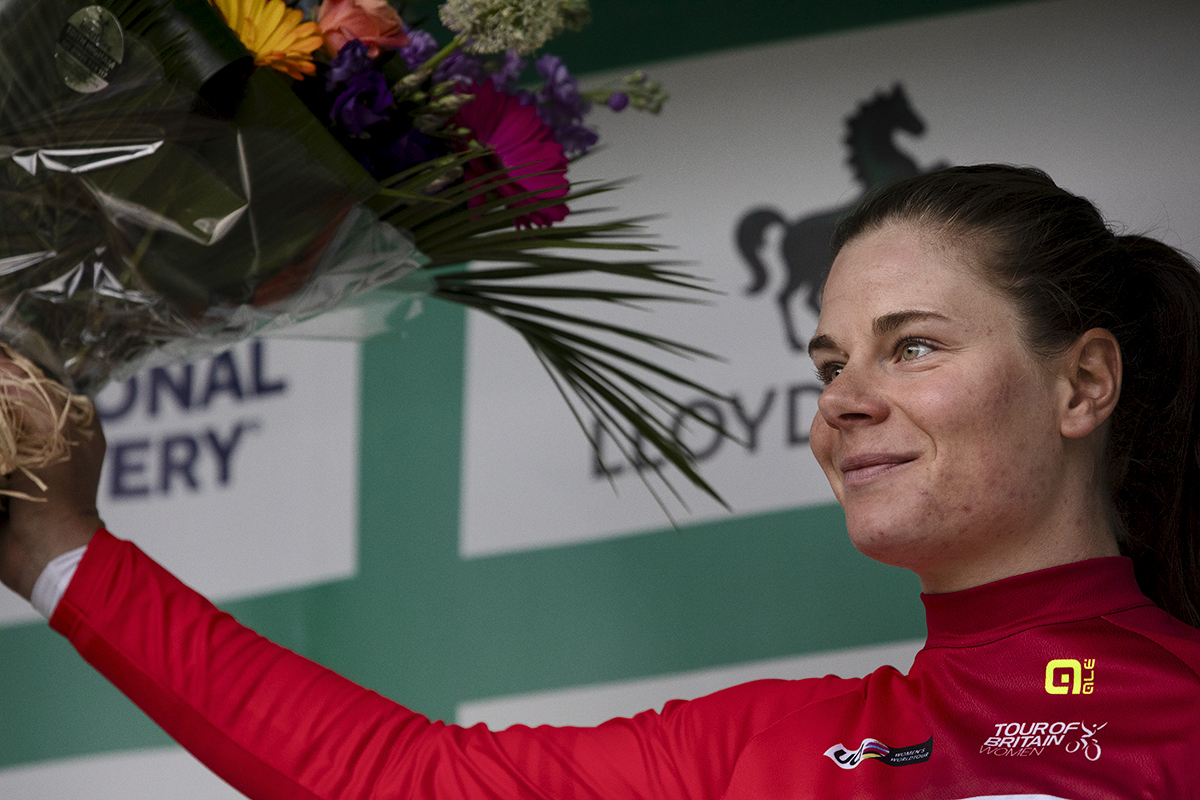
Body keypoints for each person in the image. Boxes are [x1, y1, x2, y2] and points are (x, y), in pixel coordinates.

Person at [3, 163, 1200, 798]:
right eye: (830, 360)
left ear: (1082, 384)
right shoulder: (780, 750)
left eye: (916, 345)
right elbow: (399, 783)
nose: (844, 400)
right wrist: (57, 545)